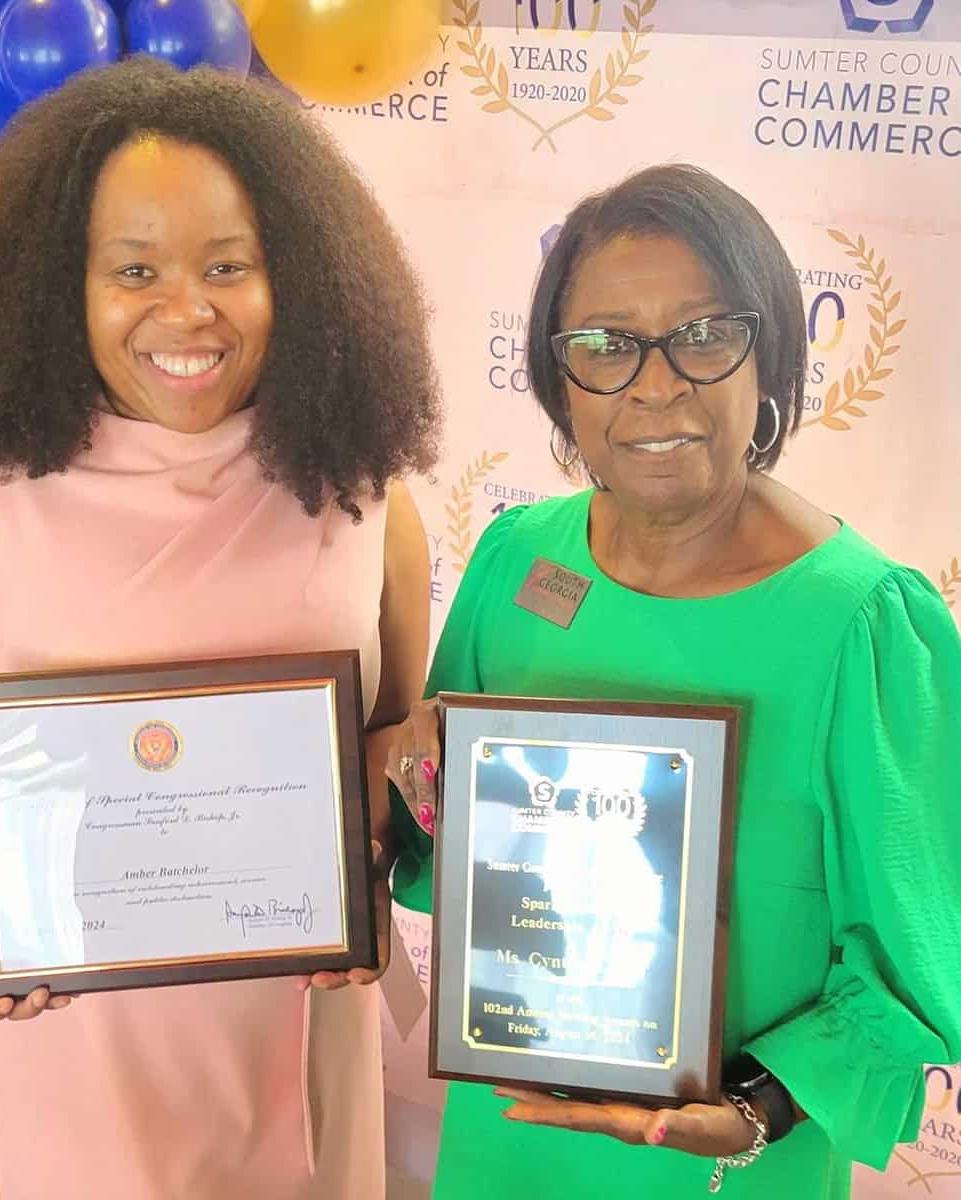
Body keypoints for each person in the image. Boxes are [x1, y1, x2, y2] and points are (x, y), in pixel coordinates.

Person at [0, 57, 440, 1200]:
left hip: (300, 1024)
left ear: (294, 274)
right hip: (77, 1027)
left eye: (228, 267)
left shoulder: (366, 492)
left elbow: (395, 732)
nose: (185, 310)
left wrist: (378, 829)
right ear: (63, 287)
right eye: (133, 271)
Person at [387, 163, 961, 1199]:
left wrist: (754, 1105)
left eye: (702, 335)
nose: (655, 385)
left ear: (769, 357)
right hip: (507, 1142)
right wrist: (414, 770)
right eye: (606, 346)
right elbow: (440, 848)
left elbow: (921, 960)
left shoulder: (866, 623)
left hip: (724, 1170)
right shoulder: (517, 560)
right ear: (559, 378)